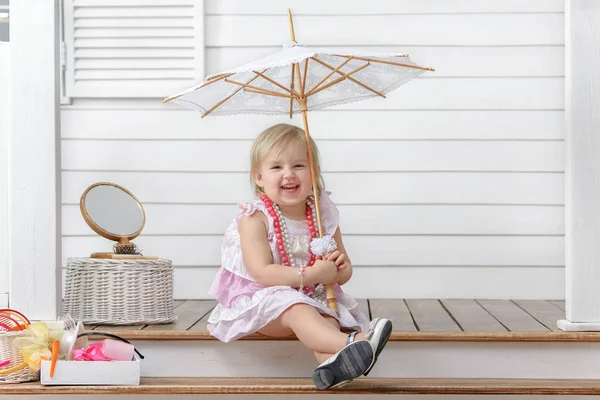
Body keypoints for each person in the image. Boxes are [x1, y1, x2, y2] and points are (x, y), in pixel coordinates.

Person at [207, 123, 392, 389]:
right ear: (258, 177)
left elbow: (345, 269)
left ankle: (333, 368)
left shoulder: (321, 214)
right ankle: (358, 343)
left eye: (298, 165)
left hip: (314, 296)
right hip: (264, 303)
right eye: (276, 167)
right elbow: (262, 272)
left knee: (328, 319)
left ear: (314, 172)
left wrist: (338, 268)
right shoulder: (255, 218)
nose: (288, 174)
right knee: (296, 307)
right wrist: (314, 274)